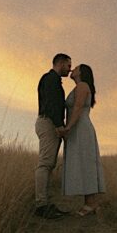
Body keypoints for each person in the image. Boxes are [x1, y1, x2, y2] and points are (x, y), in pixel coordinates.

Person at [56, 64, 105, 216]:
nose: (72, 69)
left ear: (81, 73)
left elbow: (77, 108)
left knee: (86, 163)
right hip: (78, 128)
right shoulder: (80, 86)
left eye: (75, 68)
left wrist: (68, 127)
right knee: (84, 163)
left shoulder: (83, 86)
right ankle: (91, 203)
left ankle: (90, 204)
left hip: (80, 128)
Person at [35, 53, 72, 218]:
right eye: (68, 65)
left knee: (49, 164)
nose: (70, 69)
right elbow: (51, 104)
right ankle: (41, 206)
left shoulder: (53, 80)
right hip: (48, 123)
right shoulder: (50, 79)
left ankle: (45, 204)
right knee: (45, 164)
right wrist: (59, 125)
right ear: (61, 63)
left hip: (50, 123)